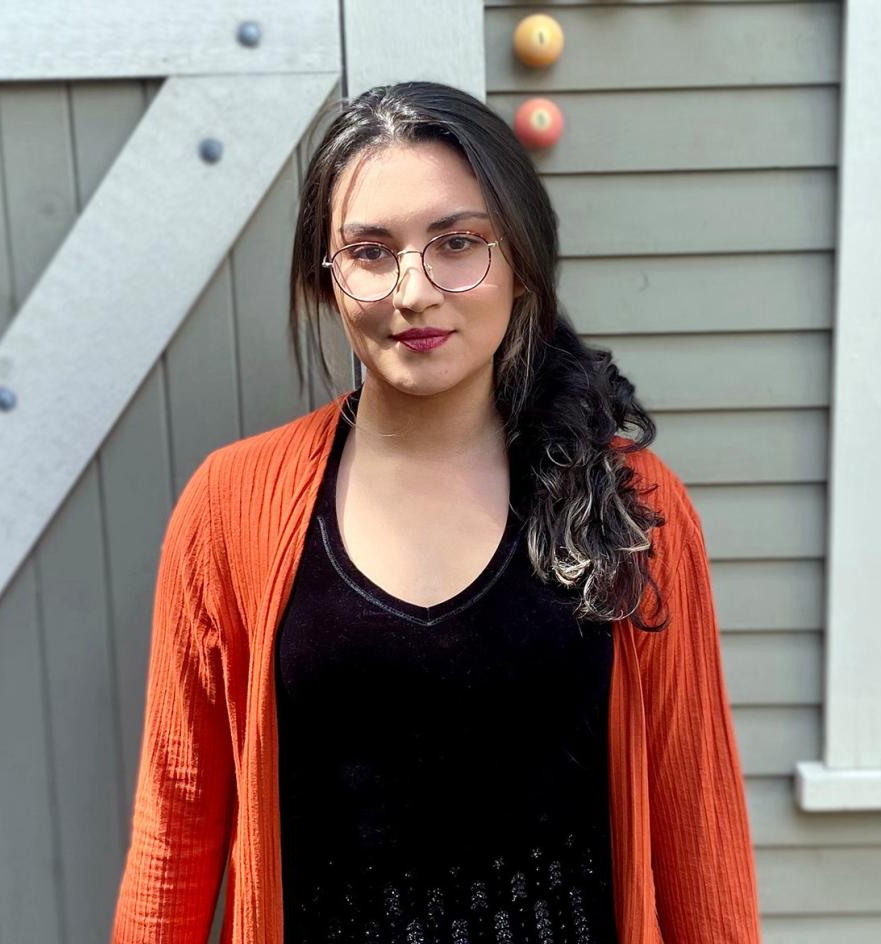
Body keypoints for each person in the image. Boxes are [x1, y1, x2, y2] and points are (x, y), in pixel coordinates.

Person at [112, 81, 760, 944]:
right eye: (372, 252)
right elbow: (178, 827)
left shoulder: (634, 505)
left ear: (521, 261)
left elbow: (695, 821)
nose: (415, 291)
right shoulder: (228, 511)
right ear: (327, 277)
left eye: (458, 243)